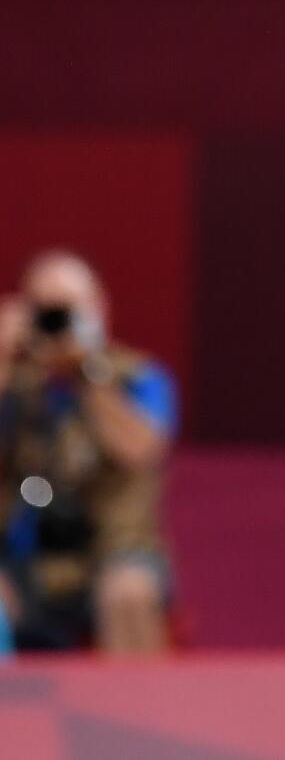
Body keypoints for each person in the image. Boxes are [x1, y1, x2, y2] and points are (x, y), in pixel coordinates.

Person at [0, 253, 178, 654]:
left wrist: (87, 371)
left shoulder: (137, 377)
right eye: (44, 311)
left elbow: (139, 450)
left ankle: (138, 710)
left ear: (97, 309)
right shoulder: (16, 383)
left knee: (129, 593)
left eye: (66, 311)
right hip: (23, 556)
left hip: (114, 550)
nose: (54, 324)